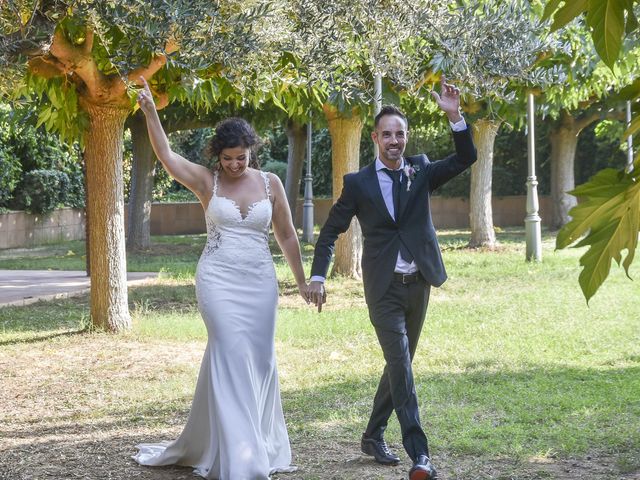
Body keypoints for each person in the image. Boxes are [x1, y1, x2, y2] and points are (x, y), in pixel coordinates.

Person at [132, 77, 309, 480]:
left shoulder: (271, 184)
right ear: (219, 155)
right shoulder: (205, 181)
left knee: (260, 361)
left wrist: (300, 282)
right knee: (229, 351)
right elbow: (166, 156)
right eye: (228, 158)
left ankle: (253, 442)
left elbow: (285, 235)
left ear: (251, 153)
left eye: (241, 158)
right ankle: (240, 457)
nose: (234, 165)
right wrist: (150, 112)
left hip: (260, 283)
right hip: (218, 280)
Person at [308, 76, 476, 480]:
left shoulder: (420, 170)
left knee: (399, 364)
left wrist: (455, 117)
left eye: (400, 134)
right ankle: (420, 455)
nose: (395, 140)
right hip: (382, 289)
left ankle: (372, 434)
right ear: (375, 138)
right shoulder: (358, 184)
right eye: (387, 134)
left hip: (418, 283)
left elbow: (465, 158)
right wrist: (318, 275)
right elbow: (331, 231)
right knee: (401, 364)